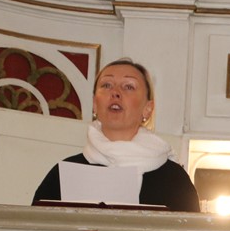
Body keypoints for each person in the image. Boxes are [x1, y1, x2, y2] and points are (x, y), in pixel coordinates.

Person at [32, 58, 200, 212]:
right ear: (94, 104)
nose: (115, 92)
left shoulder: (174, 180)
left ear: (148, 109)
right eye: (107, 85)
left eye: (129, 86)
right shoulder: (63, 175)